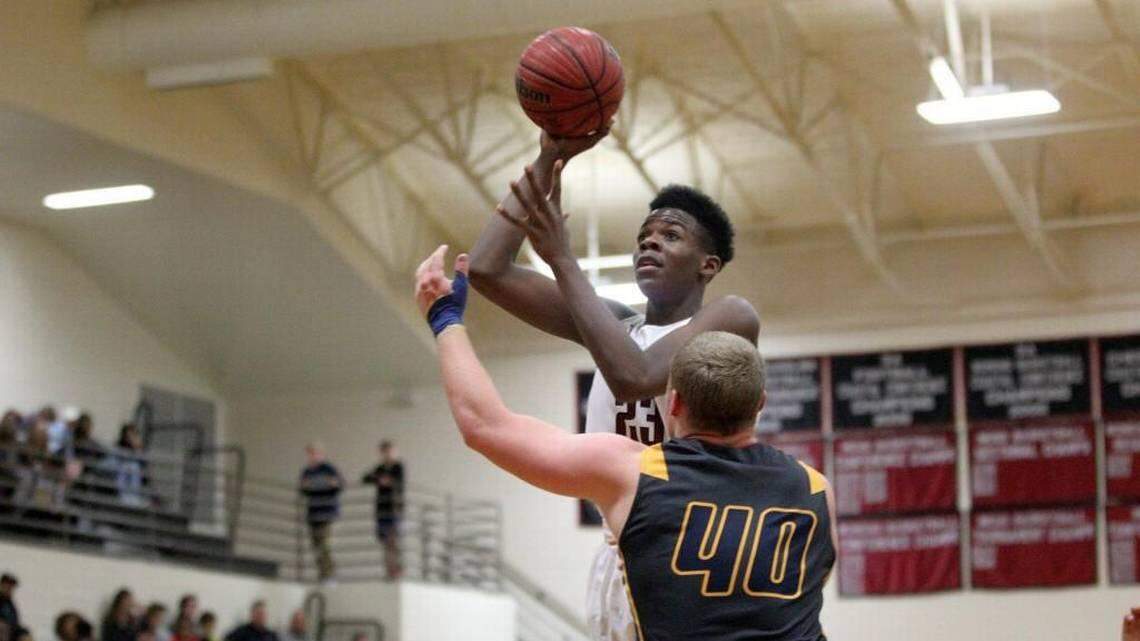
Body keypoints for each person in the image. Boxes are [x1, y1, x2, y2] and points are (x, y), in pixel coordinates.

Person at [415, 249, 834, 641]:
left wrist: (445, 318)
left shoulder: (634, 473)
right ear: (760, 404)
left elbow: (484, 426)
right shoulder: (816, 489)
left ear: (673, 403)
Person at [468, 129, 760, 639]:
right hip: (616, 549)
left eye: (671, 235)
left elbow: (636, 378)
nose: (650, 241)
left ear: (707, 266)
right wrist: (549, 156)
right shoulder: (616, 327)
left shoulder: (731, 318)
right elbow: (488, 269)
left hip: (688, 551)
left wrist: (561, 257)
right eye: (645, 235)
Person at [299, 444, 343, 583]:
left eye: (315, 453)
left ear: (321, 454)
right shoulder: (307, 471)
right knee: (316, 546)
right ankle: (322, 574)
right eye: (310, 454)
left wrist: (332, 484)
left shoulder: (329, 469)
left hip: (327, 514)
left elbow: (338, 485)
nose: (312, 456)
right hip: (313, 514)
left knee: (325, 544)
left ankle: (330, 575)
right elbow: (304, 490)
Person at [361, 441, 404, 579]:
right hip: (381, 509)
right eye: (385, 452)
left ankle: (397, 570)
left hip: (394, 508)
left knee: (393, 540)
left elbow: (397, 481)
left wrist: (385, 481)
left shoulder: (398, 467)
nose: (387, 454)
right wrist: (380, 479)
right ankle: (389, 571)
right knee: (385, 541)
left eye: (389, 451)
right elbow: (365, 478)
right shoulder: (380, 468)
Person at [0, 575, 27, 641]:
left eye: (11, 587)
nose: (10, 589)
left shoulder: (9, 603)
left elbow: (14, 622)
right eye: (7, 586)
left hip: (11, 632)